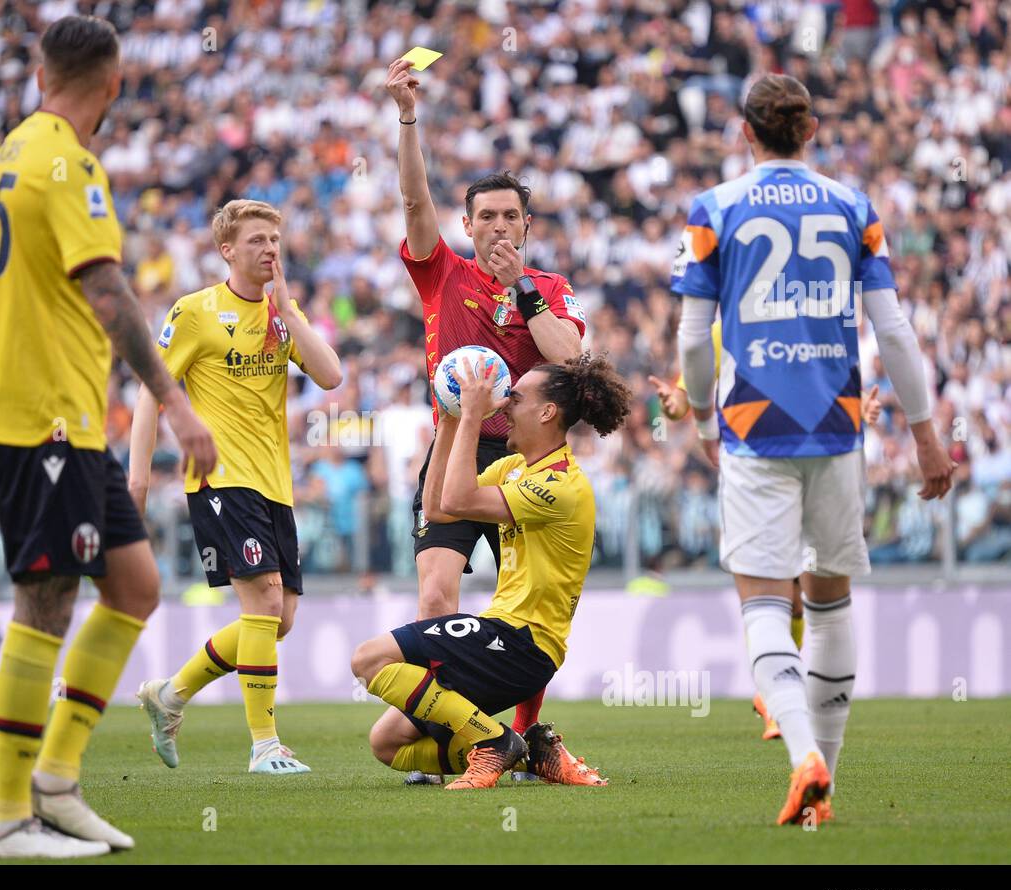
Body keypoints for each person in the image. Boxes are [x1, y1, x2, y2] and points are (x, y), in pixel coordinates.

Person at [0, 15, 216, 859]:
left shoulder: (3, 161)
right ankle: (7, 814)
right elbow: (105, 288)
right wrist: (175, 403)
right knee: (46, 598)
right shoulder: (70, 163)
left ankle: (59, 783)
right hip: (46, 419)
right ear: (113, 84)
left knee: (135, 584)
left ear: (41, 75)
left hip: (42, 411)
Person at [672, 74, 954, 825]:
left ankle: (805, 759)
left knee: (764, 600)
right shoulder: (853, 205)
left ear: (743, 131)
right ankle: (823, 782)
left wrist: (703, 416)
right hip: (837, 423)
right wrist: (926, 434)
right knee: (829, 599)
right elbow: (893, 331)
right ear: (813, 129)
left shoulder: (715, 210)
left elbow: (692, 339)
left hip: (754, 423)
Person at [385, 57, 586, 763]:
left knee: (525, 615)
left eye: (510, 215)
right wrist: (409, 118)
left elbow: (571, 360)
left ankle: (527, 735)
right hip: (453, 453)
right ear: (467, 224)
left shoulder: (551, 287)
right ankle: (469, 735)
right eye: (487, 216)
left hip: (526, 466)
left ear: (527, 224)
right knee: (437, 598)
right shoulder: (444, 271)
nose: (499, 225)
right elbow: (414, 204)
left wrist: (523, 289)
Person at [351, 353, 631, 790]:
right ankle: (528, 755)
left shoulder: (560, 486)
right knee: (388, 743)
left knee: (368, 658)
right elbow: (439, 507)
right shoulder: (514, 467)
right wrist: (448, 421)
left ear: (546, 412)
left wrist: (471, 417)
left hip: (523, 644)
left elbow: (461, 500)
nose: (503, 406)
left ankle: (495, 741)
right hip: (501, 639)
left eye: (514, 399)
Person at [130, 199, 342, 774]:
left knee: (281, 618)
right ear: (227, 250)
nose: (270, 248)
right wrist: (139, 474)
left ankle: (170, 695)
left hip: (274, 483)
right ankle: (264, 746)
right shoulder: (196, 312)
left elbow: (330, 375)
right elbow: (151, 389)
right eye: (256, 240)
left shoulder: (282, 312)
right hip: (219, 478)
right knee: (265, 602)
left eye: (275, 238)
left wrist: (291, 314)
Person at [650, 331, 885, 741]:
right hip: (753, 474)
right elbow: (689, 392)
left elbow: (831, 377)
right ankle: (776, 694)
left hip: (808, 466)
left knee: (798, 593)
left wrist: (858, 402)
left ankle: (775, 692)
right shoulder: (724, 329)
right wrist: (675, 406)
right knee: (771, 588)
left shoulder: (808, 322)